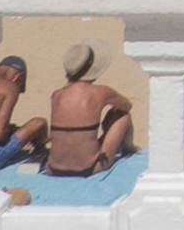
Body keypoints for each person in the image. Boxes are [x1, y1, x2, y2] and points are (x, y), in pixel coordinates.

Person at [37, 44, 134, 177]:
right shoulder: (101, 92)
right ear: (92, 70)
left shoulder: (56, 95)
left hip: (53, 168)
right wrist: (110, 116)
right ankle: (129, 149)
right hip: (90, 168)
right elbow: (127, 106)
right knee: (123, 116)